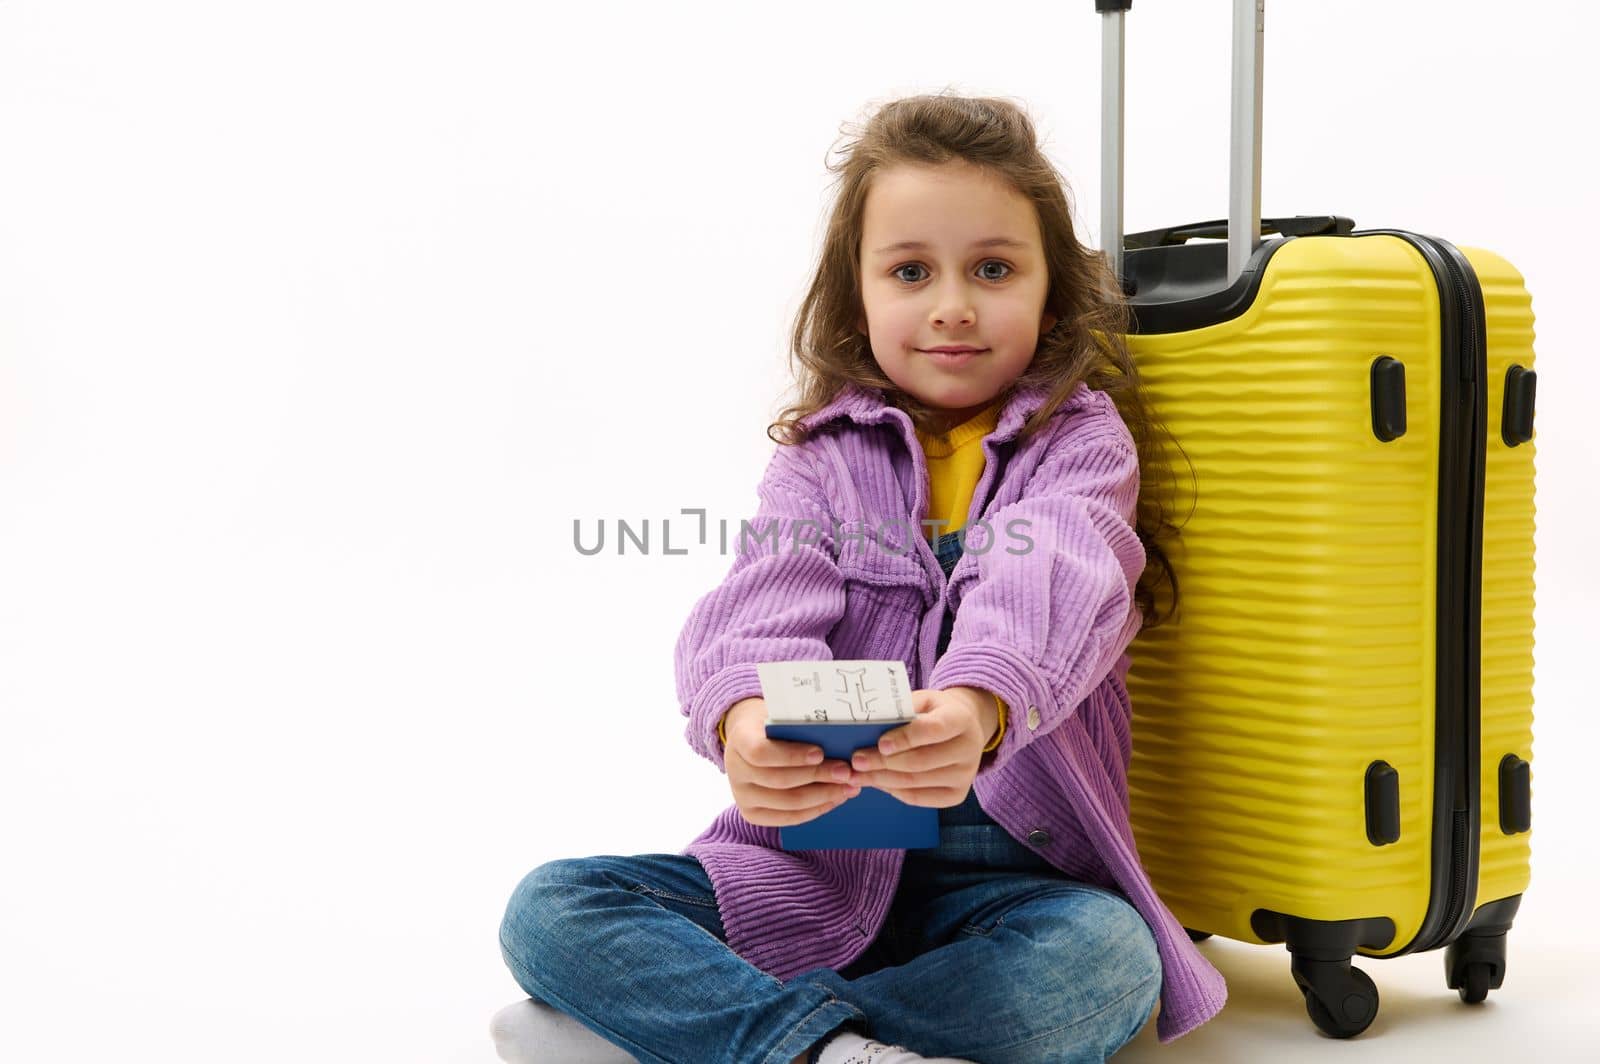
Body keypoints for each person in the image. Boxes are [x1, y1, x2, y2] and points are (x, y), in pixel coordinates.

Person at [496, 91, 1225, 1064]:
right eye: (911, 271)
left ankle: (694, 1031)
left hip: (1017, 881)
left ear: (1053, 290)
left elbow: (1057, 572)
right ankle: (816, 1046)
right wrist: (745, 721)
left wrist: (976, 703)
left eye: (994, 269)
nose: (953, 304)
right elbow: (758, 609)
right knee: (553, 904)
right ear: (859, 294)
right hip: (815, 868)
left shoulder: (1077, 441)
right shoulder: (822, 456)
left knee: (1102, 964)